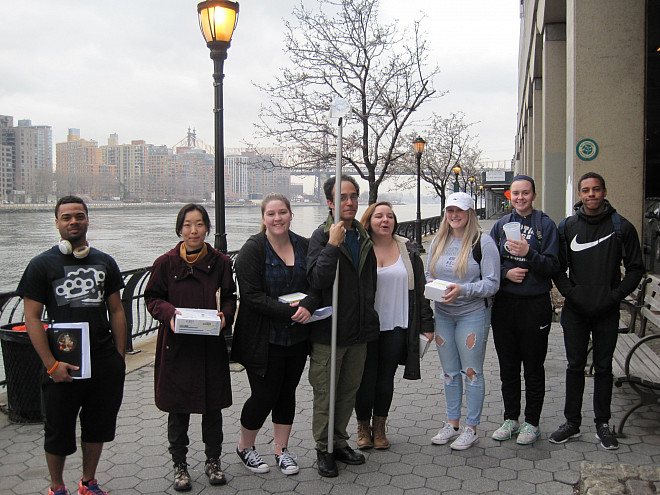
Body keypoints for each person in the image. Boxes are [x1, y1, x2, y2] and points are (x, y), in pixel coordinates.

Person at [17, 195, 127, 495]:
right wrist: (51, 365)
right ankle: (57, 486)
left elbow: (116, 310)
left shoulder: (105, 261)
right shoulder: (42, 264)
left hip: (103, 362)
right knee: (58, 429)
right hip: (62, 363)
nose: (73, 221)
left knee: (97, 426)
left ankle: (88, 482)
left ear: (88, 219)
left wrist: (118, 357)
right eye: (66, 217)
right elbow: (31, 318)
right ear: (57, 223)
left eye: (79, 216)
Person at [144, 204, 236, 491]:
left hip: (210, 347)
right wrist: (170, 313)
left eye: (198, 224)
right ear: (179, 229)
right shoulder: (165, 263)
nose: (193, 230)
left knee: (213, 409)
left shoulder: (221, 263)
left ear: (207, 227)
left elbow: (231, 298)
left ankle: (213, 460)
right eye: (187, 224)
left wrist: (226, 316)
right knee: (178, 409)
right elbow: (152, 299)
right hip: (177, 347)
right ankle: (179, 464)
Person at [550, 172, 644, 450]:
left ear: (604, 191)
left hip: (606, 310)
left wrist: (614, 296)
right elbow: (557, 267)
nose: (591, 194)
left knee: (603, 368)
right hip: (576, 311)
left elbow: (636, 268)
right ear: (579, 195)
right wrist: (571, 293)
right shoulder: (567, 227)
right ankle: (572, 423)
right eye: (586, 190)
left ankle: (603, 423)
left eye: (596, 190)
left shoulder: (621, 227)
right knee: (574, 366)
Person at [232, 193, 319, 476]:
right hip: (262, 337)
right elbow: (251, 296)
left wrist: (309, 304)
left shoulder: (304, 246)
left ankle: (281, 449)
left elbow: (318, 284)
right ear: (263, 218)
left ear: (291, 214)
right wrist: (291, 311)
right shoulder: (253, 249)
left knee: (286, 394)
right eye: (271, 214)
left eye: (282, 212)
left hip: (296, 337)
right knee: (264, 395)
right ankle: (246, 446)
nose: (277, 218)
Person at [306, 174, 380, 477]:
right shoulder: (322, 236)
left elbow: (369, 282)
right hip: (330, 333)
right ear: (329, 203)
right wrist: (333, 246)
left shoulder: (363, 235)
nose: (348, 202)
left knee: (348, 392)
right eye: (341, 197)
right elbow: (317, 279)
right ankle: (324, 449)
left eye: (353, 196)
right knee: (326, 394)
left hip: (358, 331)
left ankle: (339, 441)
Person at [354, 201, 434, 450]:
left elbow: (421, 288)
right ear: (369, 220)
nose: (385, 220)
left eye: (389, 216)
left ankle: (380, 428)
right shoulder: (359, 247)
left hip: (397, 324)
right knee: (364, 379)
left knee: (385, 378)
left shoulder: (407, 249)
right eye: (379, 216)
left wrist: (427, 323)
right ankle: (362, 428)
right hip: (365, 326)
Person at [489, 175, 560, 445]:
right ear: (510, 195)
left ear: (534, 194)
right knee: (508, 367)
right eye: (515, 193)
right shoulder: (501, 225)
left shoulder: (545, 225)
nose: (520, 198)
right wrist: (507, 273)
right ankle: (511, 418)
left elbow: (553, 266)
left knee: (533, 367)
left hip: (535, 305)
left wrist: (529, 253)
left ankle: (532, 422)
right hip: (505, 306)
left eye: (525, 193)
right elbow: (491, 264)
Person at [426, 191, 500, 450]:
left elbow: (492, 283)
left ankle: (471, 427)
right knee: (449, 373)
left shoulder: (484, 242)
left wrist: (463, 290)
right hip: (444, 315)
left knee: (471, 372)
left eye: (460, 210)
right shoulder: (438, 241)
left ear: (470, 213)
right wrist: (433, 289)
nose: (454, 215)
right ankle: (452, 422)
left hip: (472, 314)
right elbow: (428, 273)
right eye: (450, 211)